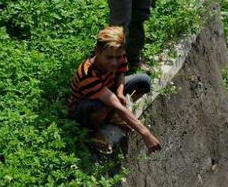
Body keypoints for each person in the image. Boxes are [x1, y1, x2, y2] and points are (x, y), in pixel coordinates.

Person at [69, 26, 161, 154]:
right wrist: (145, 133)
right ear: (97, 51)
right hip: (84, 108)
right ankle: (95, 131)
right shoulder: (88, 74)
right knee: (103, 105)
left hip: (109, 92)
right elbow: (115, 104)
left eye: (118, 58)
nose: (114, 62)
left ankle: (112, 117)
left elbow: (120, 74)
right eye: (109, 58)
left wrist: (119, 91)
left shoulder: (118, 54)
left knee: (143, 81)